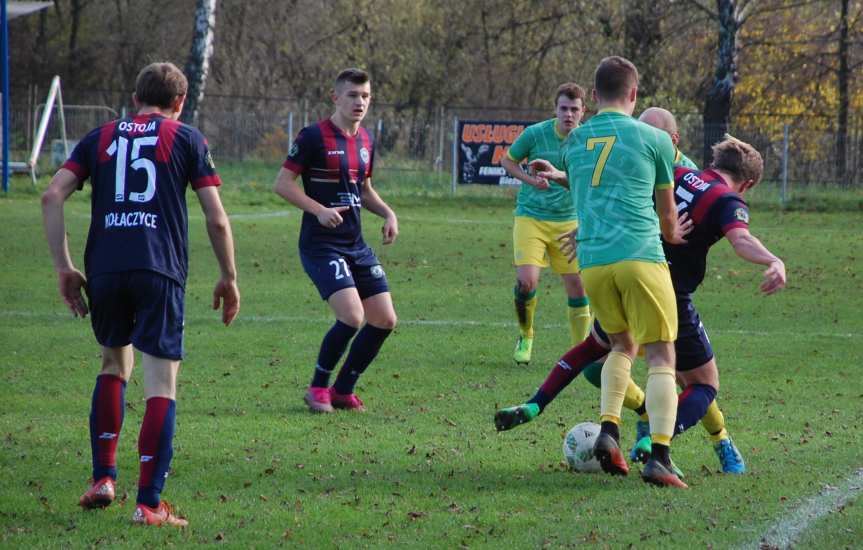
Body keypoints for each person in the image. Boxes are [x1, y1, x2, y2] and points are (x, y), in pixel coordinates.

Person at [496, 134, 785, 476]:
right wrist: (773, 260)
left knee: (600, 346)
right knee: (702, 382)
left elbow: (615, 190)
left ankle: (536, 404)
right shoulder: (726, 200)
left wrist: (562, 179)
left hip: (625, 273)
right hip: (667, 292)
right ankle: (656, 444)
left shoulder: (675, 173)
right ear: (747, 183)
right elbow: (741, 239)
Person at [41, 62, 240, 527]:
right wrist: (229, 275)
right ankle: (149, 504)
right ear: (180, 103)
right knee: (161, 385)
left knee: (114, 365)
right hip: (159, 268)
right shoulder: (187, 137)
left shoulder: (101, 136)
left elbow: (52, 197)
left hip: (105, 268)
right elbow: (217, 218)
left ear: (135, 99)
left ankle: (103, 478)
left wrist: (63, 268)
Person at [531, 56, 688, 487]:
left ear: (594, 96)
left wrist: (559, 176)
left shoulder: (574, 139)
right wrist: (674, 234)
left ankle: (609, 430)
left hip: (594, 263)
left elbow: (590, 183)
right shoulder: (654, 138)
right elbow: (667, 214)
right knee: (661, 357)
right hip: (640, 256)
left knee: (620, 346)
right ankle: (659, 455)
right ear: (634, 94)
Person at [274, 68, 398, 414]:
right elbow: (282, 183)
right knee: (352, 316)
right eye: (353, 95)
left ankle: (343, 390)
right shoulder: (313, 136)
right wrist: (318, 210)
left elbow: (365, 189)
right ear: (336, 97)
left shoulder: (366, 141)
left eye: (366, 96)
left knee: (385, 319)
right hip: (320, 244)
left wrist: (388, 214)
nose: (360, 102)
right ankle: (318, 388)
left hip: (355, 244)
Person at [499, 83, 591, 365]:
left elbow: (589, 180)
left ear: (583, 111)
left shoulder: (589, 139)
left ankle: (581, 351)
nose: (568, 114)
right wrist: (529, 180)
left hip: (569, 222)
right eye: (563, 108)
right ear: (555, 109)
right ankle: (525, 334)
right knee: (526, 282)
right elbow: (508, 161)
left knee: (578, 287)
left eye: (574, 109)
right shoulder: (535, 134)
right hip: (532, 217)